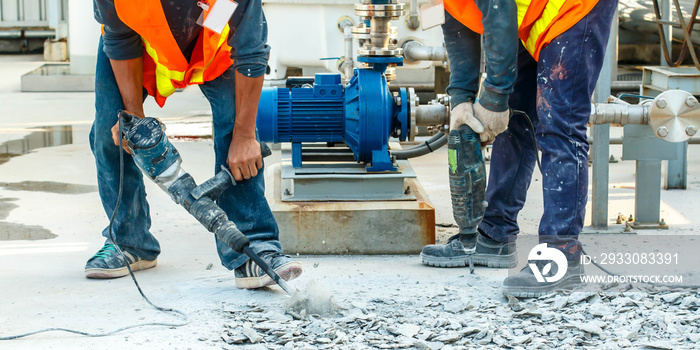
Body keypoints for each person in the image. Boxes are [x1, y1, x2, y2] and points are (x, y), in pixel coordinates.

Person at [86, 0, 302, 290]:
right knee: (110, 132)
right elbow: (120, 36)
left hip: (215, 47)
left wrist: (243, 136)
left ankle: (254, 248)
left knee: (235, 133)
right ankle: (129, 241)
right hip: (141, 43)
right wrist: (133, 118)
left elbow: (250, 50)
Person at [421, 0, 618, 297]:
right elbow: (453, 15)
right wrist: (461, 98)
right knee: (516, 116)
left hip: (575, 7)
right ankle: (494, 233)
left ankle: (562, 256)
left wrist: (494, 96)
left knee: (560, 122)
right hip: (532, 12)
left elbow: (497, 5)